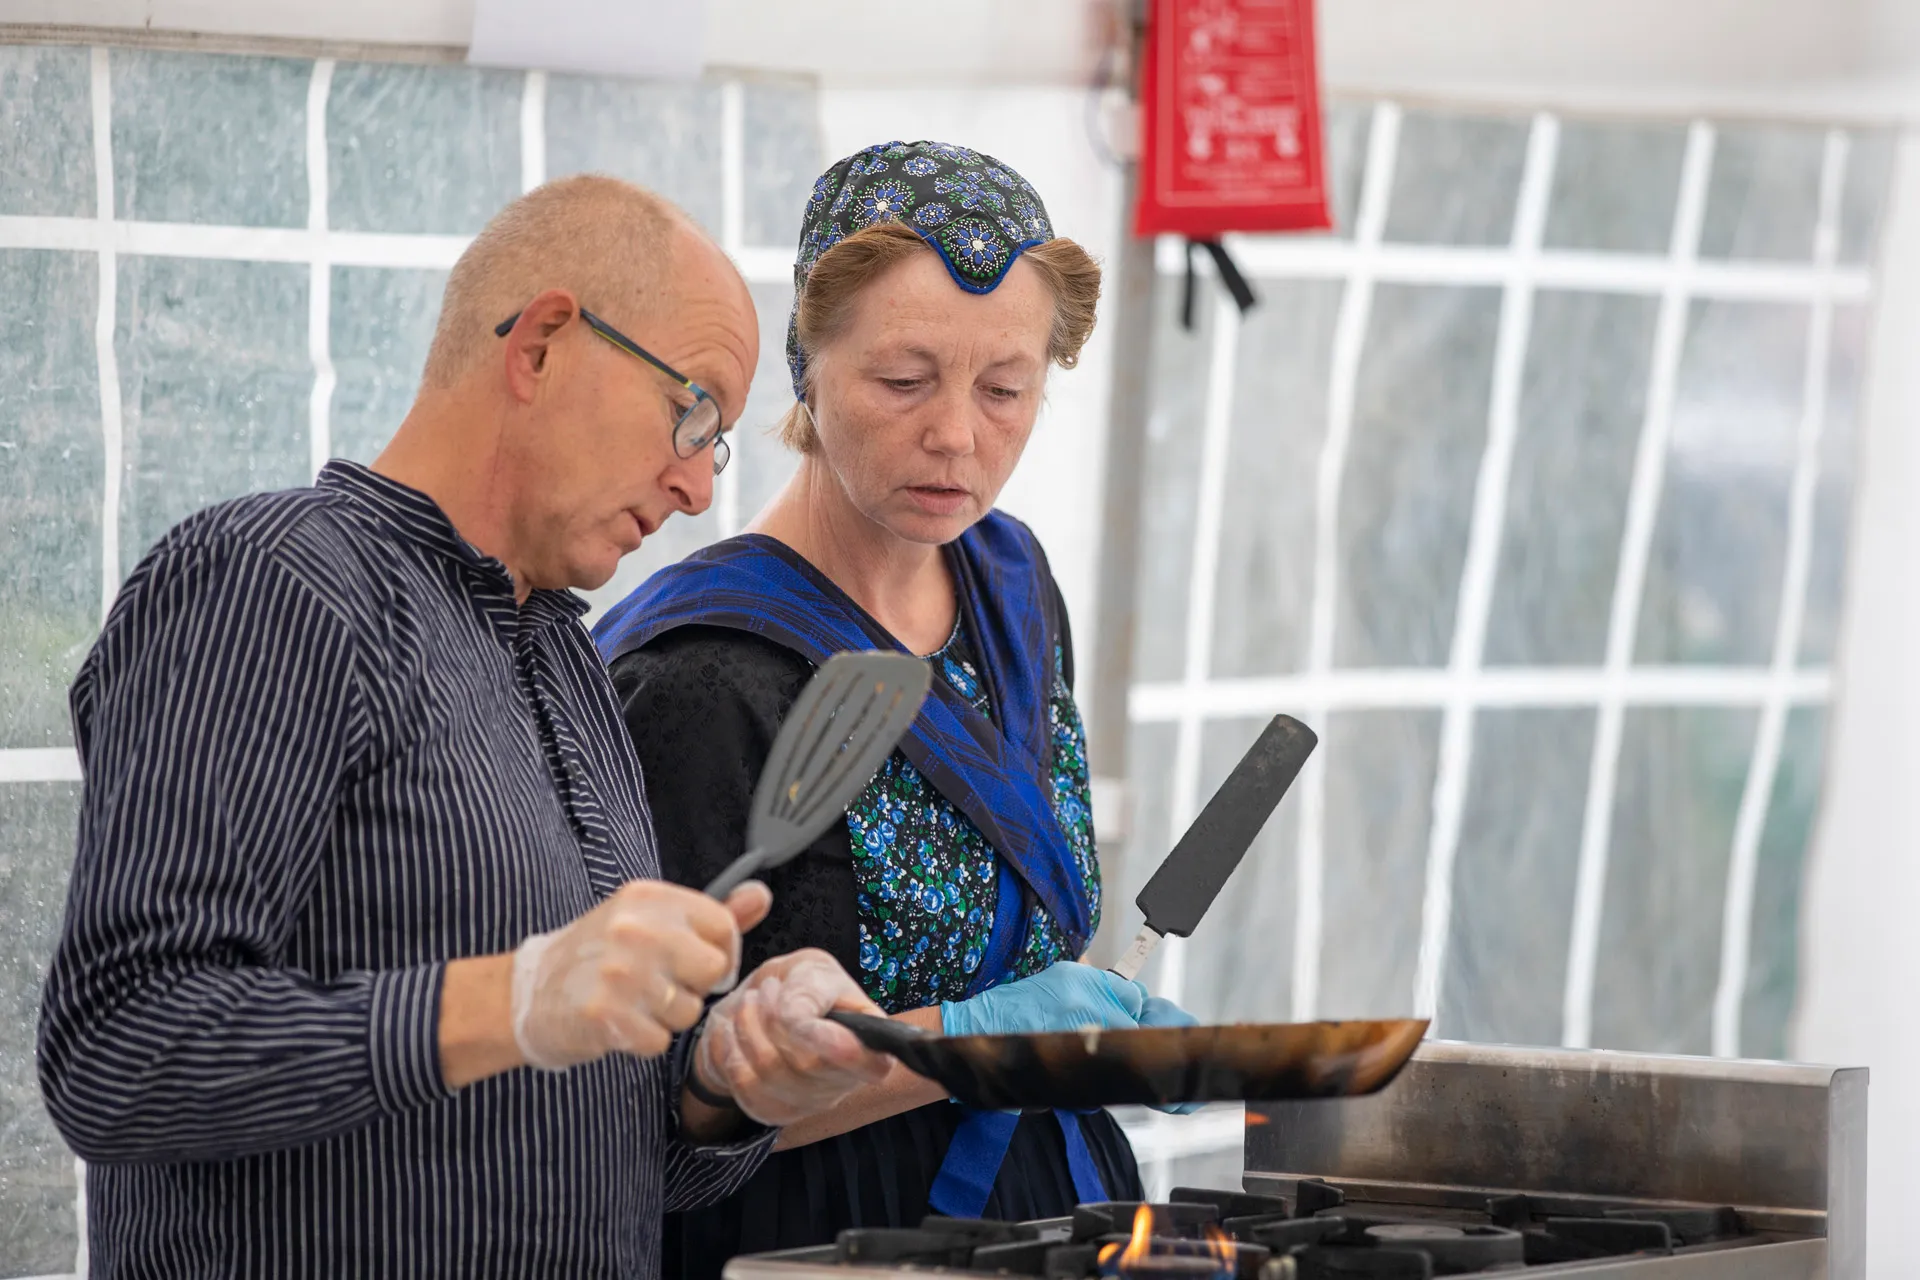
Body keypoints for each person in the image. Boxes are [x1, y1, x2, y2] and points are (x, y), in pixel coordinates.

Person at [35, 175, 893, 1279]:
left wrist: (722, 1082)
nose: (695, 489)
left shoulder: (572, 661)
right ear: (540, 345)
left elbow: (603, 1146)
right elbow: (117, 1051)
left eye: (716, 444)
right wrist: (513, 998)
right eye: (692, 412)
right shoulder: (272, 579)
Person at [592, 141, 1197, 1278]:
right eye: (904, 380)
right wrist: (977, 1046)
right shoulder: (702, 671)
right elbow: (657, 1115)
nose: (959, 435)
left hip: (1061, 1214)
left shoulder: (1011, 589)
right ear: (807, 369)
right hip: (827, 1235)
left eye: (1006, 388)